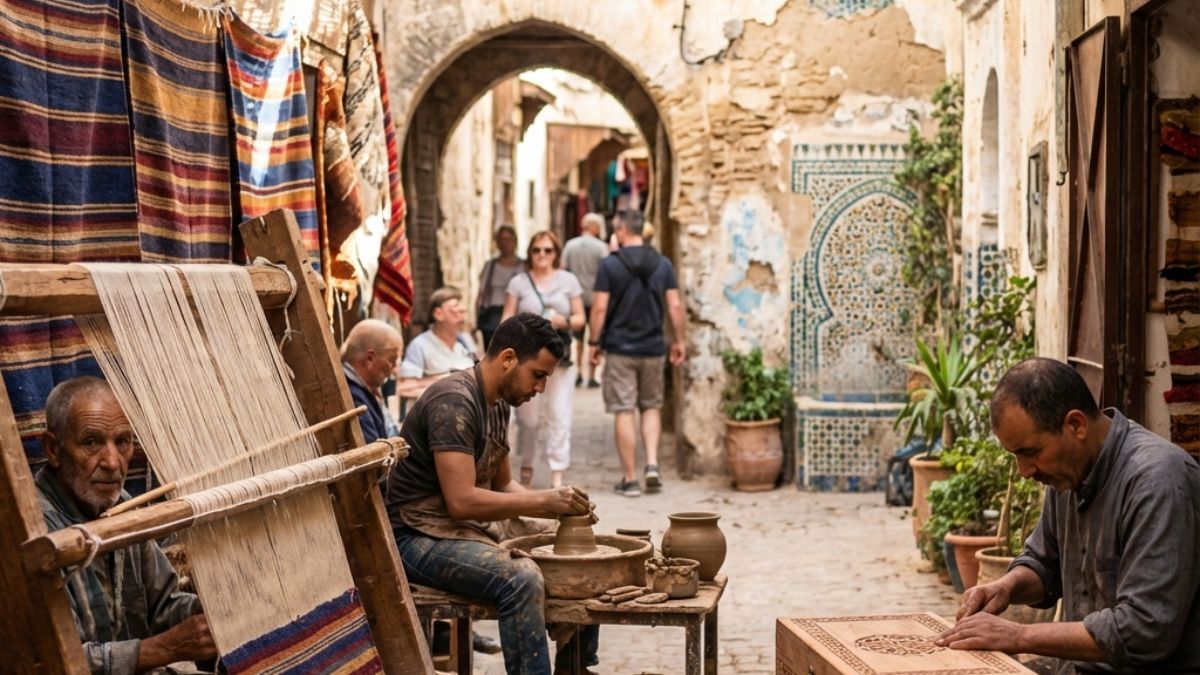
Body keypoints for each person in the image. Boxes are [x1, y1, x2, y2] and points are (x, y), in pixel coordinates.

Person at [936, 358, 1200, 673]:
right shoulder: (1068, 473)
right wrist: (1005, 587)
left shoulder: (1158, 481)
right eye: (1016, 456)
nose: (1024, 471)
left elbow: (1144, 630)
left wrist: (1019, 635)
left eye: (1030, 452)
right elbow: (1044, 564)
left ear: (1075, 425)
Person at [385, 313, 600, 675]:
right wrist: (545, 501)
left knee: (579, 555)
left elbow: (503, 486)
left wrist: (559, 508)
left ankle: (574, 667)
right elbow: (462, 501)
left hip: (461, 528)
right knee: (521, 578)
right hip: (415, 536)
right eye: (539, 375)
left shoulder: (499, 402)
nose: (541, 388)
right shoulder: (454, 401)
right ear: (508, 359)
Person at [36, 376, 216, 674]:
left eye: (122, 441)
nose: (112, 462)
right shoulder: (36, 532)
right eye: (91, 442)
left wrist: (214, 614)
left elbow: (163, 606)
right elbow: (55, 660)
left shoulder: (123, 505)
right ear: (53, 449)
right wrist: (164, 648)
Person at [588, 210, 686, 497]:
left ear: (621, 231)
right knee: (651, 406)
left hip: (619, 348)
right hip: (653, 347)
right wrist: (678, 340)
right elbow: (675, 306)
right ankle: (652, 465)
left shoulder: (610, 265)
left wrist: (594, 342)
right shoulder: (663, 264)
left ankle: (630, 478)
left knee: (623, 410)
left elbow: (599, 308)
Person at [503, 231, 586, 489]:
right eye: (537, 250)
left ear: (556, 254)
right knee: (527, 419)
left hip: (559, 359)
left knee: (559, 415)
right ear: (530, 253)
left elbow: (581, 318)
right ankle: (526, 468)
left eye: (548, 250)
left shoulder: (568, 280)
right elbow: (506, 317)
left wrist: (565, 321)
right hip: (527, 359)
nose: (542, 255)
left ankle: (556, 475)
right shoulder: (518, 282)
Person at [397, 287, 479, 400]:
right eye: (455, 307)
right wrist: (450, 380)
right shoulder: (420, 345)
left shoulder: (465, 341)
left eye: (462, 307)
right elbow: (404, 387)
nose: (462, 310)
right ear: (438, 314)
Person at [561, 213, 609, 388]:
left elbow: (563, 269)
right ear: (594, 227)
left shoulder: (570, 245)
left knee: (578, 338)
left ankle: (579, 372)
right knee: (595, 337)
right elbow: (607, 273)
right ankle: (593, 374)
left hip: (575, 298)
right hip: (596, 297)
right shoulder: (602, 248)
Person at [341, 319, 403, 442]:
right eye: (392, 360)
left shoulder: (362, 391)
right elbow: (376, 455)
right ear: (369, 359)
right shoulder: (352, 397)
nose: (395, 369)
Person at [475, 225, 524, 350]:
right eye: (501, 239)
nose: (505, 243)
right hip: (493, 317)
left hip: (518, 316)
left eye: (508, 239)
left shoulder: (524, 266)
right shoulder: (490, 266)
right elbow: (481, 293)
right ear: (496, 242)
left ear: (515, 241)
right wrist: (476, 321)